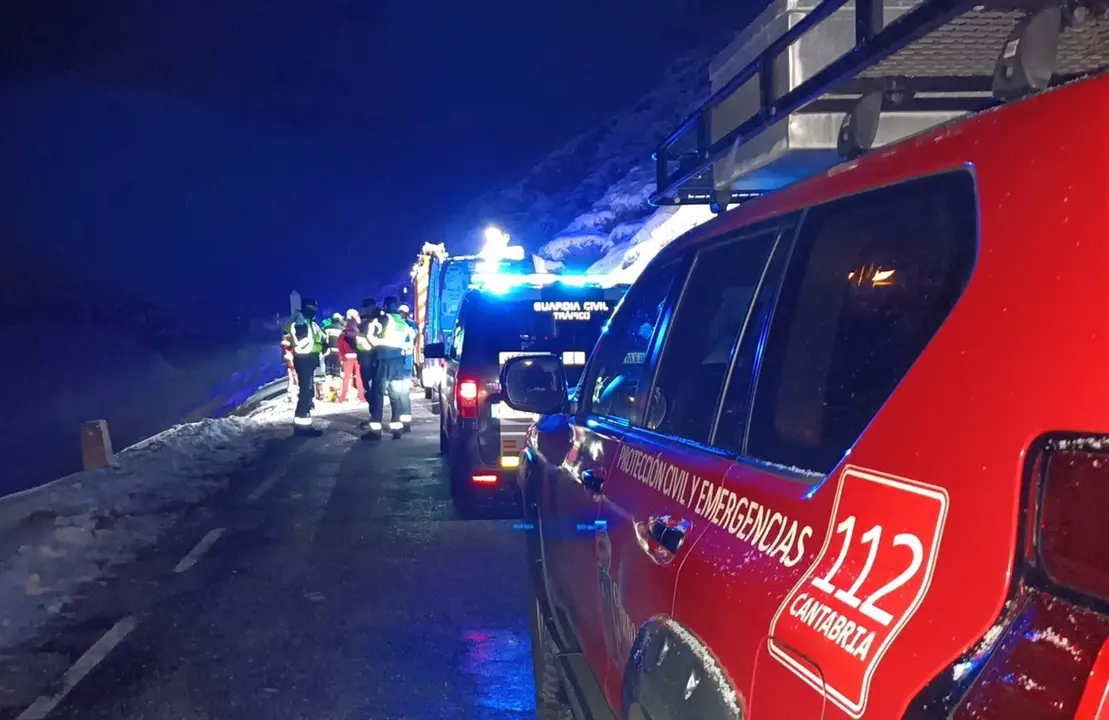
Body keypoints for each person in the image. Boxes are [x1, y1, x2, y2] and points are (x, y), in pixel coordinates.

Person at [364, 296, 416, 439]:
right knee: (396, 395)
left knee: (377, 393)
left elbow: (371, 333)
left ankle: (375, 431)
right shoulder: (403, 323)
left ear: (386, 306)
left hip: (383, 358)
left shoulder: (384, 319)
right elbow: (411, 339)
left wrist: (375, 344)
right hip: (398, 360)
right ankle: (397, 428)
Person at [284, 297, 324, 433]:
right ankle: (302, 427)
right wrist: (319, 345)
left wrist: (323, 345)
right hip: (304, 359)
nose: (315, 311)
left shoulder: (310, 322)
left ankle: (303, 424)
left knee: (308, 391)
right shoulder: (300, 321)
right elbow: (303, 341)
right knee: (306, 392)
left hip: (309, 359)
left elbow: (319, 338)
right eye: (313, 309)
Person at [338, 309, 365, 403]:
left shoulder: (344, 332)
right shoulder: (358, 331)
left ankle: (343, 397)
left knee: (346, 377)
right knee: (359, 377)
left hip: (347, 357)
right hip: (357, 356)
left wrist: (341, 357)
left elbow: (340, 345)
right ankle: (362, 396)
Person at [322, 312, 343, 377]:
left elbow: (323, 339)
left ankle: (328, 380)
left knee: (328, 368)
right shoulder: (342, 329)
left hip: (328, 350)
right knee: (337, 368)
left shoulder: (326, 328)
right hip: (338, 351)